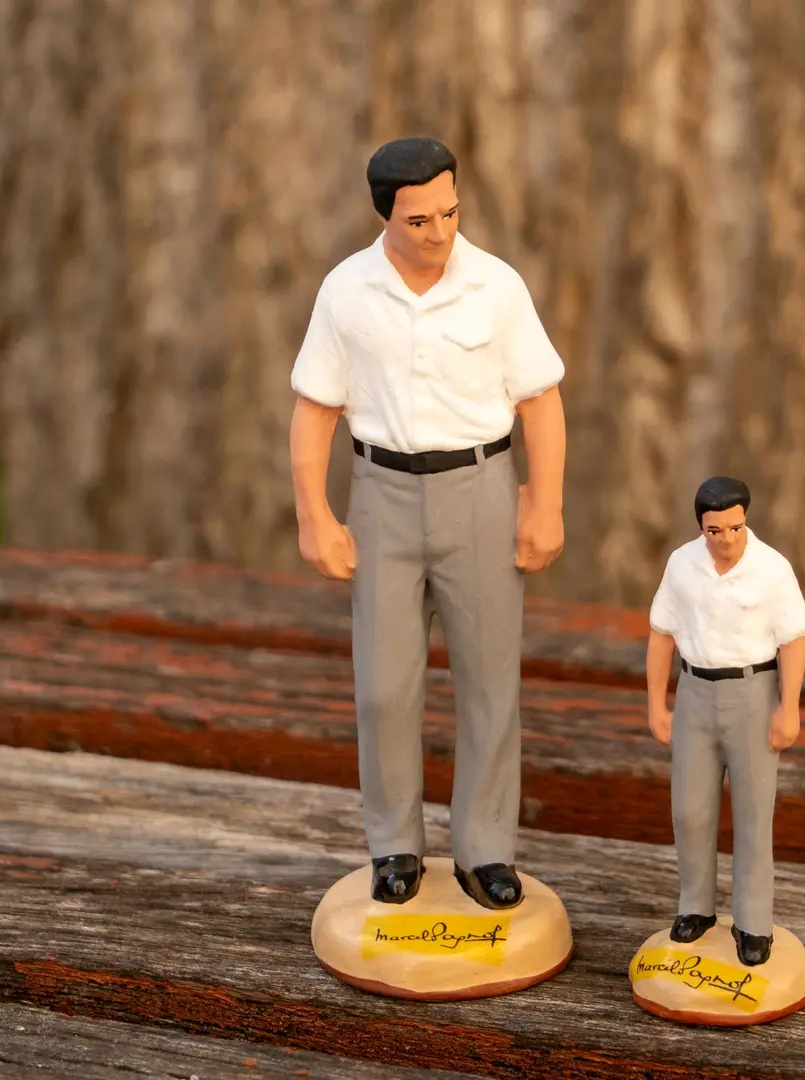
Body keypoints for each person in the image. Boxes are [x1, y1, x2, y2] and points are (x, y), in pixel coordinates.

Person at [287, 136, 567, 911]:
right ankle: (394, 846)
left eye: (449, 213)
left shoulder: (496, 287)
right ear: (385, 215)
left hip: (479, 493)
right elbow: (315, 410)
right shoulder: (347, 292)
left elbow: (540, 401)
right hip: (382, 497)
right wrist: (315, 514)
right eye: (419, 220)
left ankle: (486, 849)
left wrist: (544, 503)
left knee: (489, 683)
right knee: (383, 687)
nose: (439, 231)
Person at [645, 477, 805, 966]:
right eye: (715, 531)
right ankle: (695, 907)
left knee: (754, 814)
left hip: (752, 693)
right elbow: (661, 635)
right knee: (690, 810)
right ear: (702, 526)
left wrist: (789, 706)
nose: (726, 539)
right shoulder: (682, 564)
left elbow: (793, 640)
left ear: (745, 520)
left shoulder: (772, 569)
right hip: (695, 691)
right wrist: (656, 704)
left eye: (735, 528)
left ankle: (753, 922)